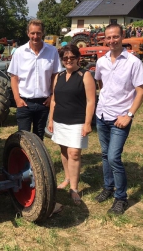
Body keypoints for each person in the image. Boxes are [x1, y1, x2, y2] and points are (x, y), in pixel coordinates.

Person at [94, 23, 143, 215]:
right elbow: (101, 83)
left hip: (121, 118)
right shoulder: (101, 62)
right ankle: (108, 188)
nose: (111, 41)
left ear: (122, 36)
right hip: (102, 114)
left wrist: (129, 115)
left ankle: (121, 197)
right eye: (108, 38)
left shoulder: (133, 62)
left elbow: (141, 92)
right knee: (104, 154)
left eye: (115, 37)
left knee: (113, 157)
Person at [47, 44, 96, 205]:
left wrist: (88, 123)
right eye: (65, 58)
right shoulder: (59, 76)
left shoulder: (85, 75)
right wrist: (51, 119)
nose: (68, 60)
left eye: (72, 57)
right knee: (63, 149)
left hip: (77, 121)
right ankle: (67, 177)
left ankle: (74, 189)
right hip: (60, 119)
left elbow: (90, 101)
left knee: (74, 153)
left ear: (78, 58)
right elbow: (54, 99)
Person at [8, 19, 62, 140]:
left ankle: (36, 160)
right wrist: (17, 98)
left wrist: (52, 96)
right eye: (32, 33)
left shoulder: (52, 51)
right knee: (23, 140)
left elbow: (55, 75)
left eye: (38, 33)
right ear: (28, 33)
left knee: (39, 138)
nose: (35, 36)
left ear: (43, 33)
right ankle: (23, 160)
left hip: (43, 103)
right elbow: (14, 77)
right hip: (24, 103)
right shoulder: (19, 52)